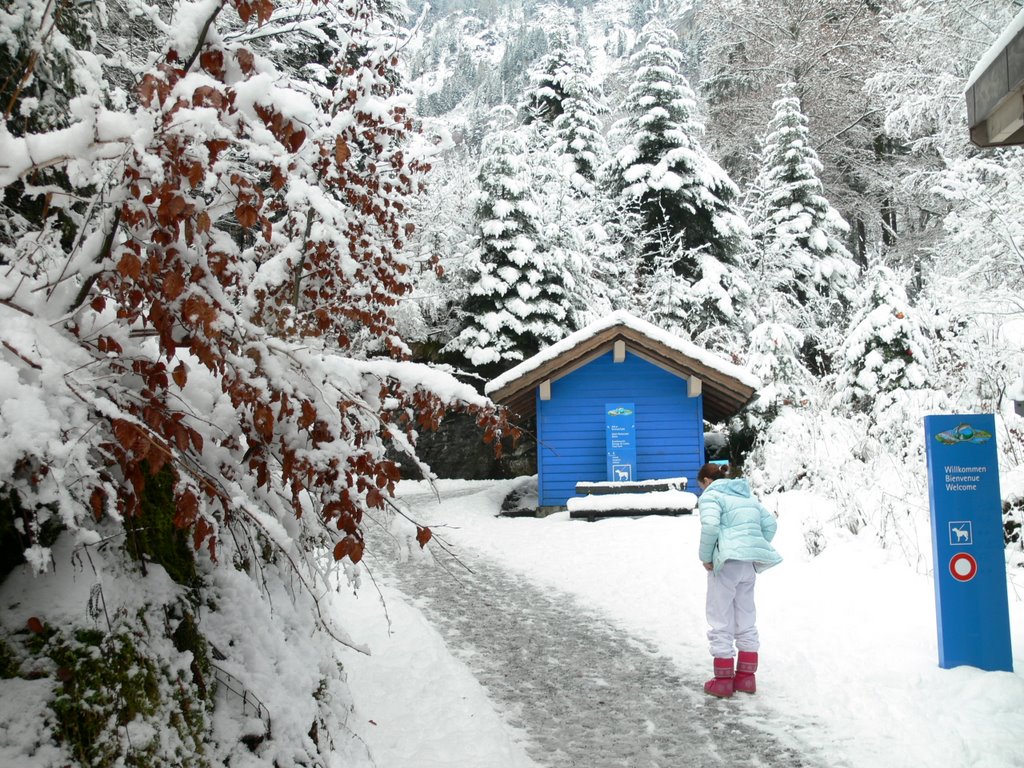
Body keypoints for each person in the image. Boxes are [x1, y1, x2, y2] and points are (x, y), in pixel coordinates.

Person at [696, 462, 782, 698]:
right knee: (745, 617)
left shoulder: (711, 496)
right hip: (748, 565)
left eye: (701, 486)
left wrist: (706, 557)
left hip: (725, 564)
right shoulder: (746, 495)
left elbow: (711, 526)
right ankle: (746, 678)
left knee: (720, 617)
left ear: (706, 482)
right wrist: (751, 545)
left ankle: (723, 680)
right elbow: (770, 524)